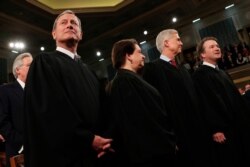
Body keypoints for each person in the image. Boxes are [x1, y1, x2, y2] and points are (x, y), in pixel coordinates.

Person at [23, 10, 113, 167]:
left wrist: (105, 140)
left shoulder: (89, 71)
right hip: (65, 157)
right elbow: (51, 111)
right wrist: (88, 139)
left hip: (96, 155)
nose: (69, 25)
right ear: (53, 34)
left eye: (74, 23)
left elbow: (104, 110)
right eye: (63, 22)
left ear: (81, 34)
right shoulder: (44, 62)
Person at [142, 29, 210, 167]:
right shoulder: (152, 70)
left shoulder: (183, 70)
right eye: (178, 39)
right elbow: (154, 109)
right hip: (178, 140)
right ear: (166, 43)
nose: (181, 42)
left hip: (199, 135)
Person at [104, 38, 176, 167]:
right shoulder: (125, 81)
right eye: (139, 52)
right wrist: (168, 143)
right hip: (153, 155)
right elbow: (145, 121)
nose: (143, 56)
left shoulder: (126, 80)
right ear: (128, 56)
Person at [192, 36, 250, 167]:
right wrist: (215, 129)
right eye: (211, 47)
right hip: (224, 131)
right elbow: (205, 103)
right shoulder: (199, 75)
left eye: (217, 46)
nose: (217, 48)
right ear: (202, 54)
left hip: (238, 126)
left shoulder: (222, 73)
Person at [0, 52, 33, 167]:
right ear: (18, 70)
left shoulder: (39, 92)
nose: (34, 68)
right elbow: (3, 122)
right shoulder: (5, 90)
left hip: (40, 151)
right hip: (18, 151)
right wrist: (23, 143)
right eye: (29, 65)